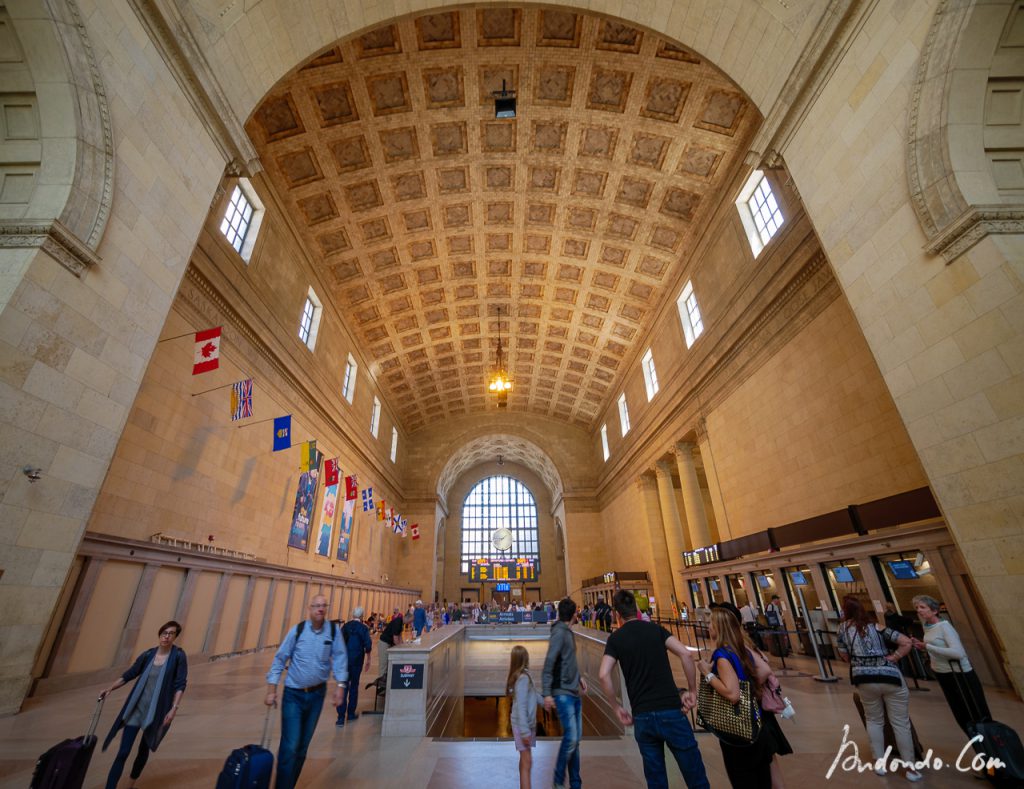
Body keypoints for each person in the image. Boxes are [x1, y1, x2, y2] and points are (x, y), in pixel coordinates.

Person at [600, 590, 710, 789]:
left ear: (617, 615)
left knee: (656, 781)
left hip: (643, 715)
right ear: (637, 609)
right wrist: (692, 691)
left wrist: (616, 707)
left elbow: (603, 674)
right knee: (696, 778)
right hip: (671, 711)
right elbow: (685, 654)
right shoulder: (656, 630)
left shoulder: (616, 639)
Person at [834, 595, 921, 782]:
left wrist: (859, 660)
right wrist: (895, 657)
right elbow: (906, 642)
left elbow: (843, 655)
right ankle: (910, 768)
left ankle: (879, 763)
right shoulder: (876, 627)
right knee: (900, 723)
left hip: (864, 678)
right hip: (889, 676)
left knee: (874, 720)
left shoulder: (842, 629)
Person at [265, 594, 348, 789]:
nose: (320, 609)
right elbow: (280, 659)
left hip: (317, 695)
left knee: (302, 747)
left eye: (323, 606)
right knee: (291, 744)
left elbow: (340, 659)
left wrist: (340, 687)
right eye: (316, 606)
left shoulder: (333, 632)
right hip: (294, 694)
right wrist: (271, 689)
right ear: (309, 609)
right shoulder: (298, 631)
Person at [99, 620, 187, 789]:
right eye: (164, 632)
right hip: (136, 710)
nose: (166, 636)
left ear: (175, 637)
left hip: (156, 713)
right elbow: (130, 674)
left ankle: (130, 785)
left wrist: (174, 709)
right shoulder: (148, 655)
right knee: (123, 752)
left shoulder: (178, 656)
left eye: (171, 634)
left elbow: (180, 684)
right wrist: (109, 688)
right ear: (160, 633)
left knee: (142, 751)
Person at [696, 607, 775, 787]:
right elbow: (763, 671)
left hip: (738, 731)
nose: (708, 626)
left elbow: (732, 694)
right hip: (757, 725)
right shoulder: (742, 651)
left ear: (718, 627)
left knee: (743, 780)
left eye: (710, 623)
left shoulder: (722, 655)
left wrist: (707, 674)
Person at [910, 594, 991, 737]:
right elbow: (934, 647)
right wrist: (923, 647)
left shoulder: (944, 627)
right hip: (943, 674)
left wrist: (928, 647)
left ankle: (991, 748)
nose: (919, 611)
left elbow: (958, 653)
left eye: (923, 607)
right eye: (917, 608)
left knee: (975, 713)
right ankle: (978, 747)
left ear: (934, 610)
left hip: (959, 675)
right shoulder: (928, 627)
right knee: (960, 715)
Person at [542, 597, 587, 789]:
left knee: (575, 741)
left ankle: (575, 783)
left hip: (573, 690)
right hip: (562, 692)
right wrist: (547, 693)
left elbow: (567, 660)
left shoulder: (567, 632)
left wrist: (579, 677)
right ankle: (558, 779)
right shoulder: (559, 633)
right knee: (572, 738)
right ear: (574, 614)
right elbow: (549, 662)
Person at [508, 645, 545, 789]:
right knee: (527, 761)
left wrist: (545, 703)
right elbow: (522, 706)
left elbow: (533, 695)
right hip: (523, 726)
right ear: (525, 659)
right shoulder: (523, 678)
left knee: (525, 760)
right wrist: (524, 731)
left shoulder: (524, 676)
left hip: (526, 724)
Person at [336, 606, 372, 726]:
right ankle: (350, 713)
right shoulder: (363, 628)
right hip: (357, 659)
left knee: (343, 685)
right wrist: (368, 659)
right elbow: (367, 645)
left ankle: (340, 717)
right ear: (362, 616)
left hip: (345, 660)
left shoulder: (345, 627)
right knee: (354, 686)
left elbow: (339, 642)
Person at [379, 606, 403, 676]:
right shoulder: (395, 619)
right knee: (384, 664)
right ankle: (381, 683)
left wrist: (402, 644)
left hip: (390, 641)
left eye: (396, 609)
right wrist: (401, 647)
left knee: (388, 662)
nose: (395, 610)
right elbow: (396, 638)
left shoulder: (400, 618)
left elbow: (399, 634)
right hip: (386, 641)